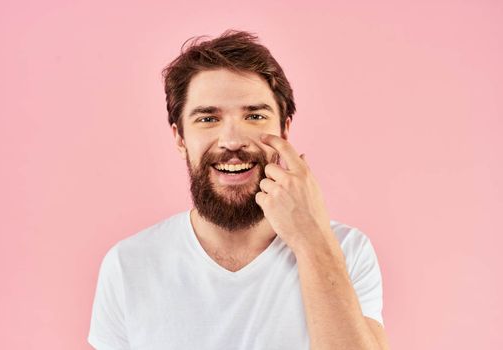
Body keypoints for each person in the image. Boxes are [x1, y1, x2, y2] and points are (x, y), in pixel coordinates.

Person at [88, 29, 390, 350]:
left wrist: (312, 242)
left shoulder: (344, 250)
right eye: (208, 119)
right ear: (180, 139)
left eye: (255, 116)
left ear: (284, 130)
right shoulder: (129, 264)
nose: (232, 141)